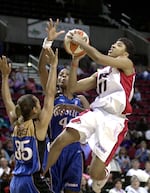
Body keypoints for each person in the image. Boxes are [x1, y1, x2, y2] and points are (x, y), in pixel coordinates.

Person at [43, 28, 136, 193]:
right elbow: (73, 87)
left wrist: (82, 44)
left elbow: (98, 57)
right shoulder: (100, 74)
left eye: (119, 45)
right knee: (59, 141)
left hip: (114, 120)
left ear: (126, 54)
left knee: (94, 173)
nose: (113, 46)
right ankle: (40, 176)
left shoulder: (127, 66)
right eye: (113, 44)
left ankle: (103, 174)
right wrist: (75, 60)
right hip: (96, 113)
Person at [38, 18, 90, 193]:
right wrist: (48, 44)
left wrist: (76, 109)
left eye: (66, 75)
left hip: (74, 151)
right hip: (54, 150)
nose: (61, 77)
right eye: (60, 74)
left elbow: (91, 120)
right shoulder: (52, 97)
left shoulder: (80, 99)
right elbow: (41, 70)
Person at [0, 48, 58, 193]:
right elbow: (50, 95)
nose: (41, 105)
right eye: (38, 103)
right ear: (34, 110)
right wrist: (54, 66)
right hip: (32, 180)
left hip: (16, 182)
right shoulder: (38, 126)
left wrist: (5, 76)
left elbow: (7, 100)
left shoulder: (16, 123)